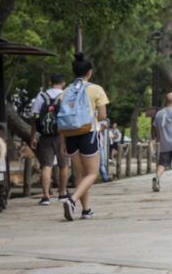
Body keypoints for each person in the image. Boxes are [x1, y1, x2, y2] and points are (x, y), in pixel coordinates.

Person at [61, 53, 109, 221]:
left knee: (80, 174)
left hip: (69, 135)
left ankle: (86, 210)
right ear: (89, 72)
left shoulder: (66, 91)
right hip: (88, 133)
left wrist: (63, 141)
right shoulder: (96, 89)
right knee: (92, 173)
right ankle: (72, 200)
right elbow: (102, 116)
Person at [29, 73, 70, 205]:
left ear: (50, 82)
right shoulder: (65, 95)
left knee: (46, 166)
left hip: (45, 136)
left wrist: (33, 137)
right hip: (61, 135)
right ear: (63, 83)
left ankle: (46, 196)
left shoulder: (41, 96)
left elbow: (35, 118)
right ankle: (62, 193)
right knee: (64, 165)